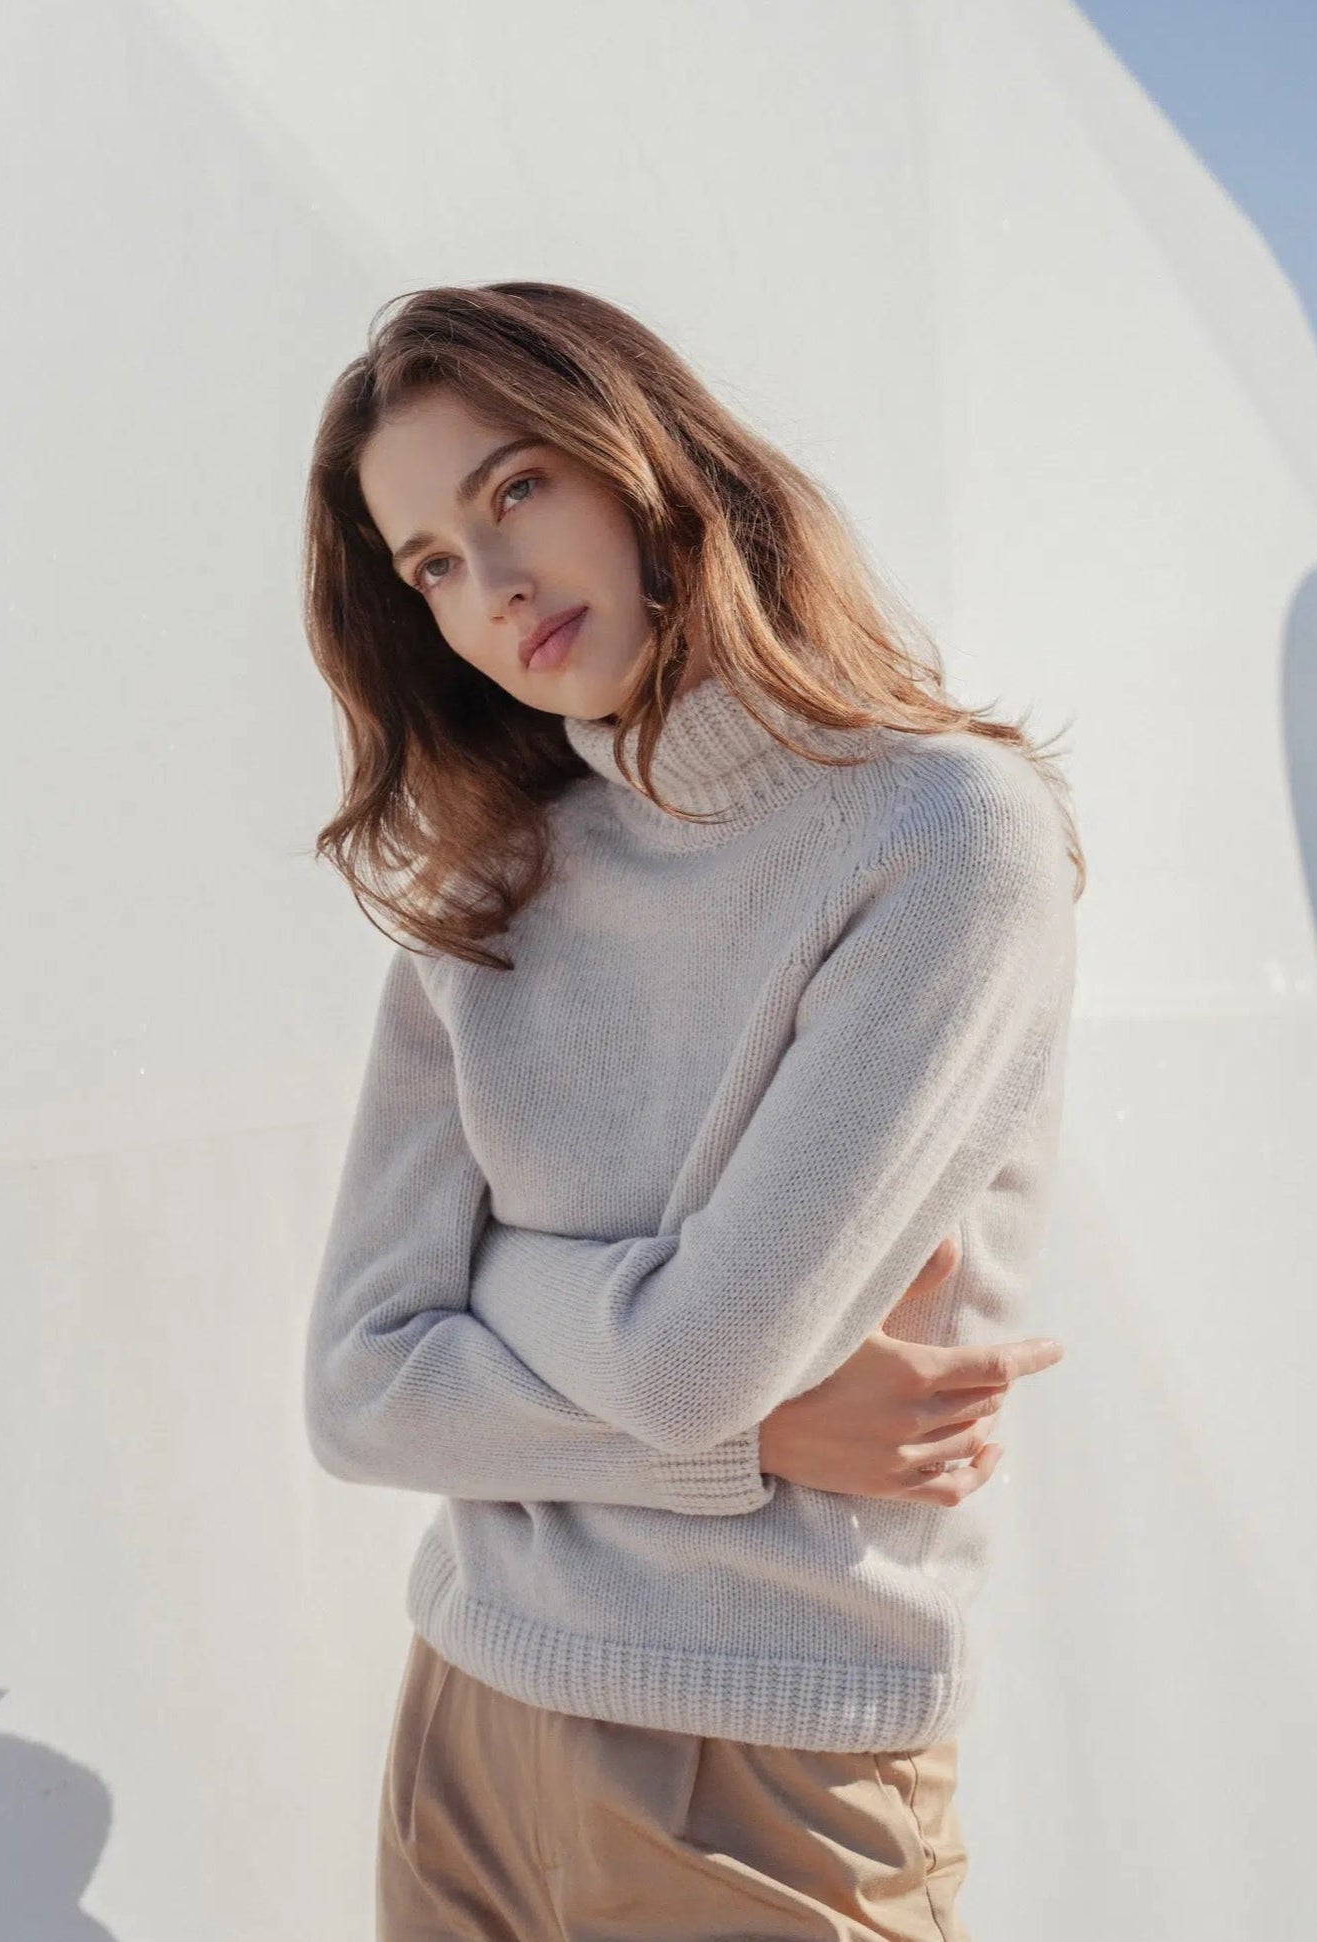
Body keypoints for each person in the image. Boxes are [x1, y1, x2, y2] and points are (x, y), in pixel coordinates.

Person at [300, 281, 1084, 1941]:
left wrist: (502, 1276)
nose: (492, 585)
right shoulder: (486, 880)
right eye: (431, 559)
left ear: (644, 460)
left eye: (516, 488)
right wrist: (746, 1443)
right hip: (465, 1719)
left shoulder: (940, 839)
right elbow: (361, 1391)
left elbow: (688, 1362)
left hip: (771, 1765)